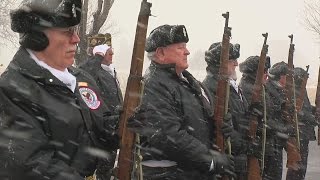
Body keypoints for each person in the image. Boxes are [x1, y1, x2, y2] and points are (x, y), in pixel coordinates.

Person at [0, 0, 118, 179]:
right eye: (67, 32)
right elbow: (30, 164)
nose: (76, 39)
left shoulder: (81, 78)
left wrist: (126, 124)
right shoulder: (11, 89)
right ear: (37, 38)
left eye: (76, 30)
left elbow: (99, 126)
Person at [127, 24, 235, 180]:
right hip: (168, 175)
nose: (187, 51)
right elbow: (168, 135)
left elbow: (200, 120)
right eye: (180, 47)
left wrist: (221, 126)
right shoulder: (153, 85)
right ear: (161, 53)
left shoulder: (189, 82)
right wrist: (209, 160)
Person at [203, 42, 260, 180]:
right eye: (231, 60)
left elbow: (239, 118)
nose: (236, 64)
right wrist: (244, 145)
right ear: (220, 64)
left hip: (238, 158)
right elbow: (220, 126)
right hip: (231, 159)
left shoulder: (229, 84)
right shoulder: (212, 87)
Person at [79, 39, 123, 180]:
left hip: (112, 127)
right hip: (100, 127)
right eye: (109, 52)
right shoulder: (92, 71)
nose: (112, 55)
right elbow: (83, 72)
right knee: (98, 170)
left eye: (112, 52)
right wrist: (96, 57)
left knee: (107, 169)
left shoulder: (110, 71)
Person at [286, 67, 317, 180]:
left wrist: (314, 110)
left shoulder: (301, 90)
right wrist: (314, 119)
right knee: (297, 166)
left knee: (301, 167)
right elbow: (300, 112)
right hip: (299, 135)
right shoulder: (295, 91)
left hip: (304, 135)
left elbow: (306, 108)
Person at [264, 61, 294, 180]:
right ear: (281, 76)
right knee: (272, 175)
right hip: (272, 141)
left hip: (276, 142)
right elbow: (270, 118)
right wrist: (284, 129)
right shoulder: (270, 90)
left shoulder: (279, 89)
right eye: (287, 76)